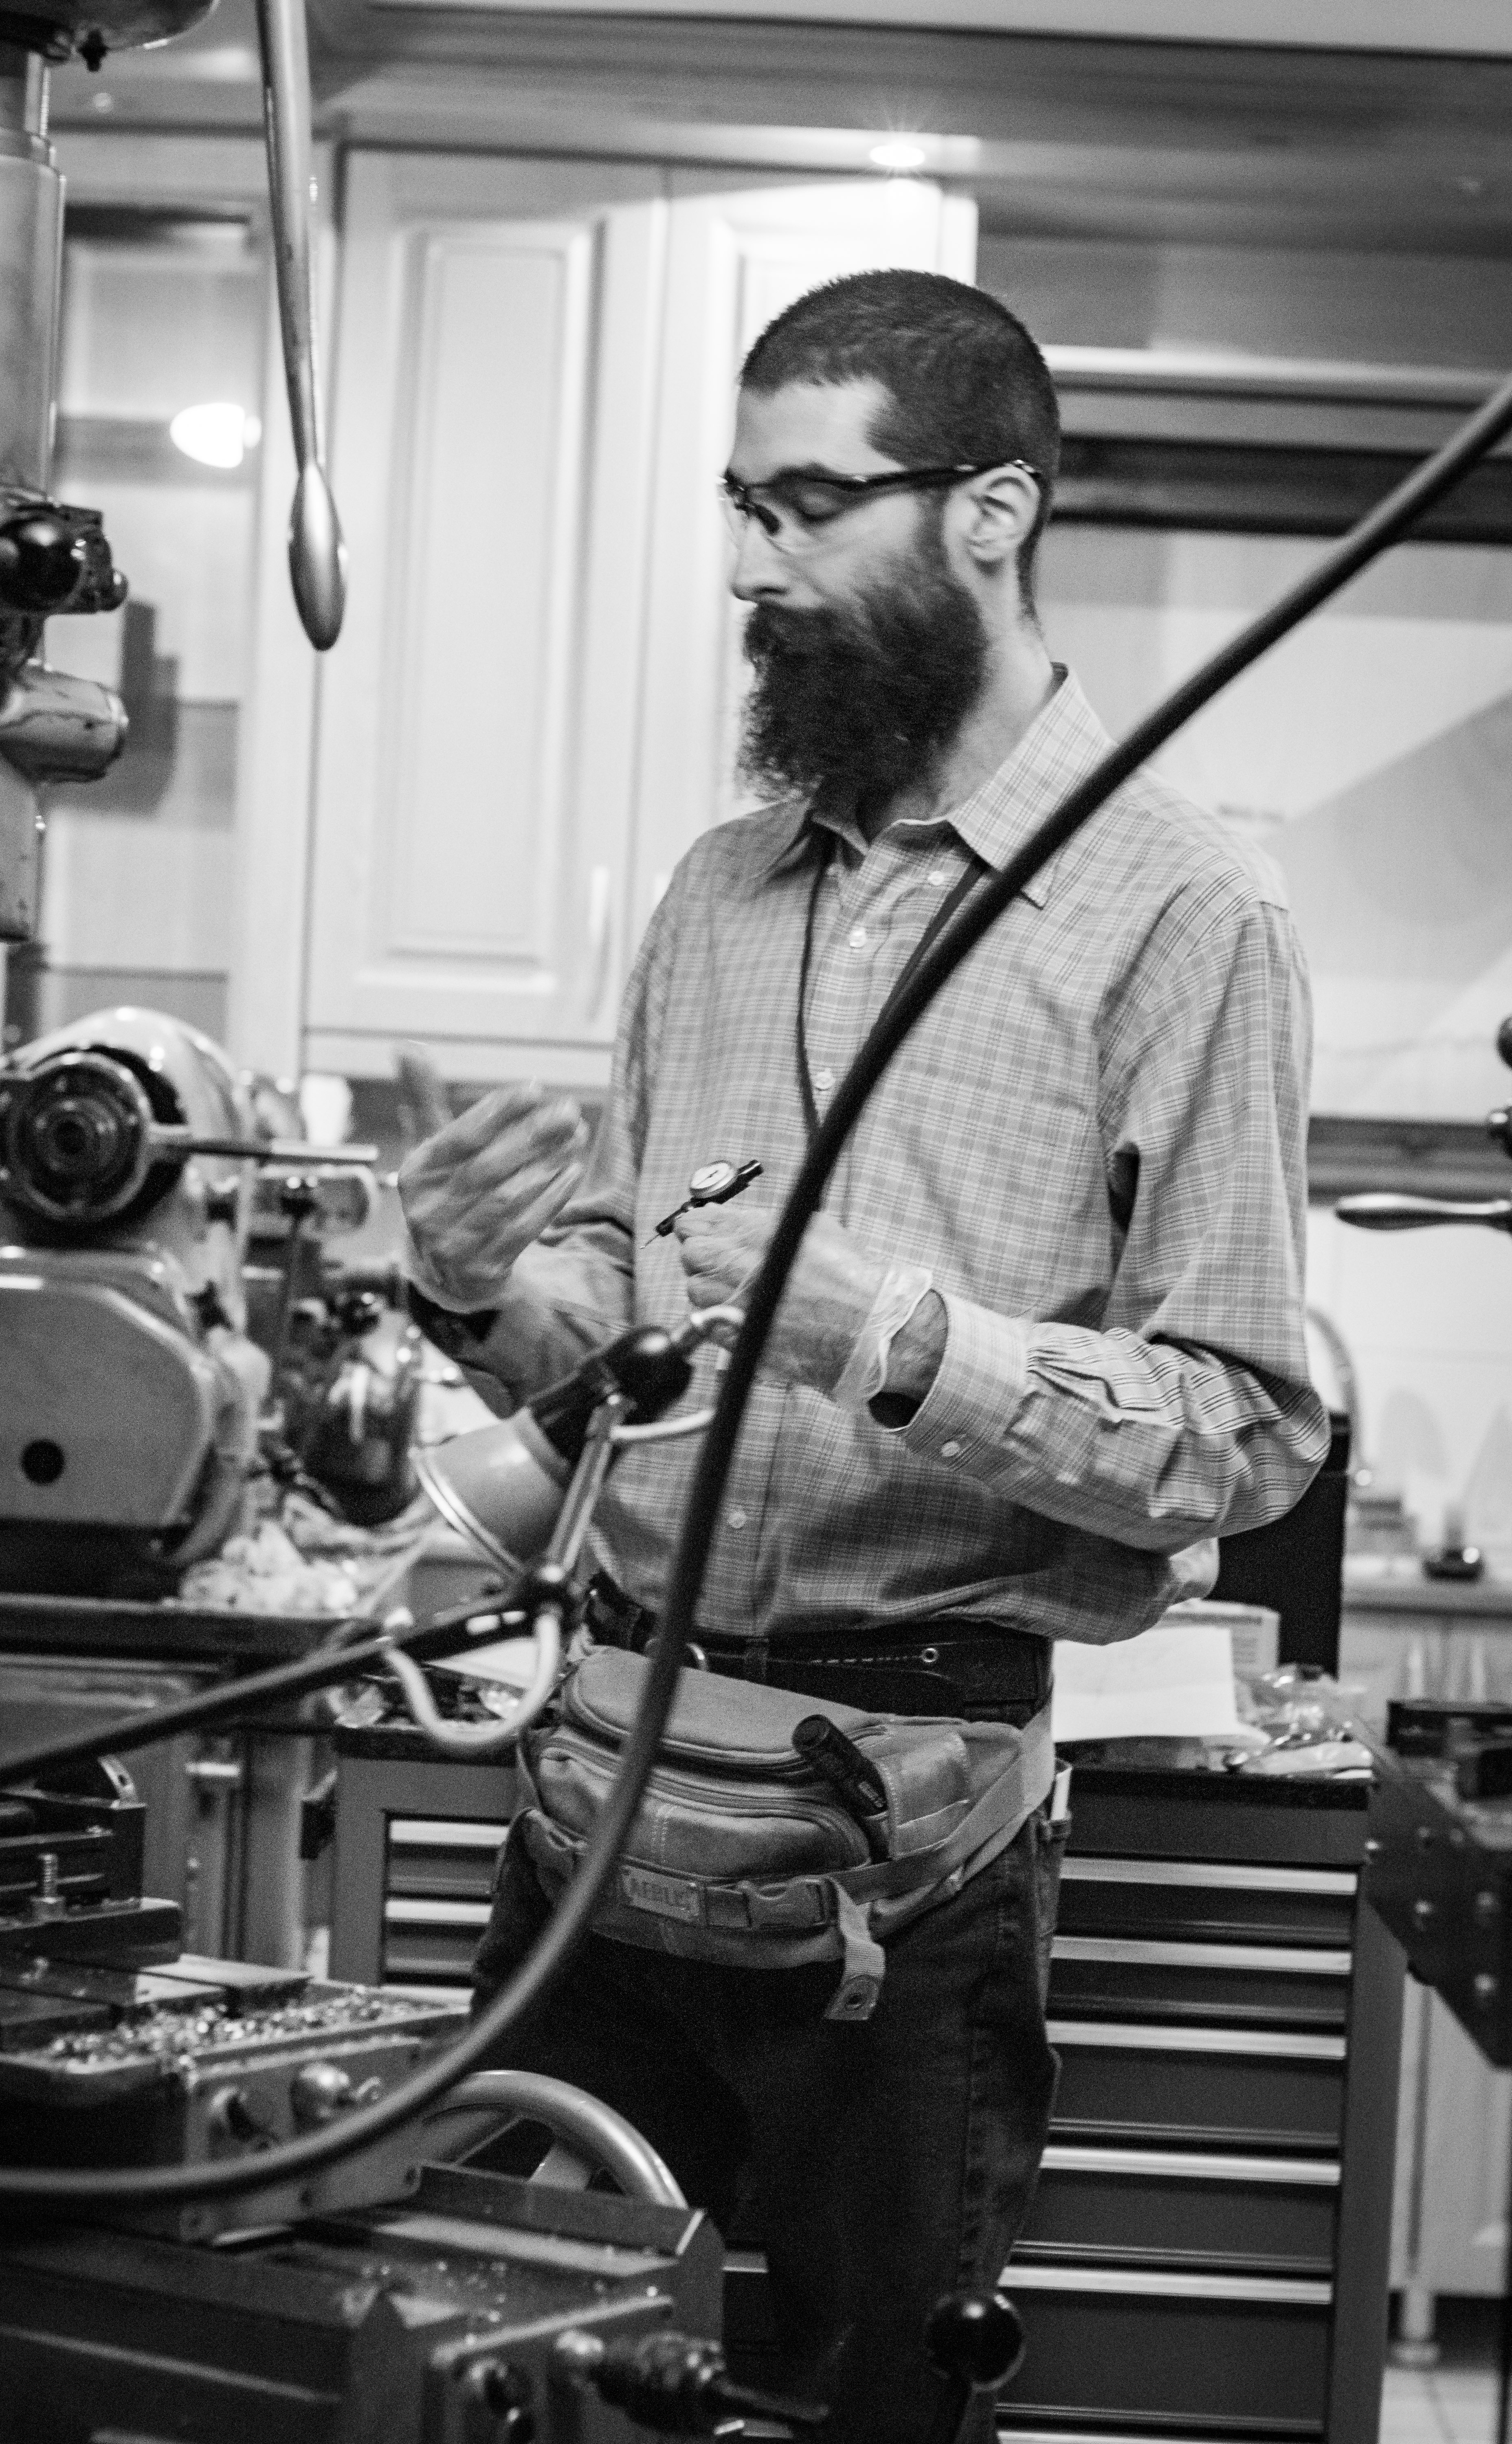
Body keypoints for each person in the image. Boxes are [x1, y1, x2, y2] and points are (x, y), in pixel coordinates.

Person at [398, 268, 1329, 2443]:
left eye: (810, 504)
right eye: (742, 503)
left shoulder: (1184, 917)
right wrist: (469, 1289)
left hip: (890, 1892)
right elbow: (614, 1364)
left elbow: (1245, 1431)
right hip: (596, 1825)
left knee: (865, 2426)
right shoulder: (724, 893)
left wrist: (887, 1338)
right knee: (467, 2380)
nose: (753, 561)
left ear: (991, 512)